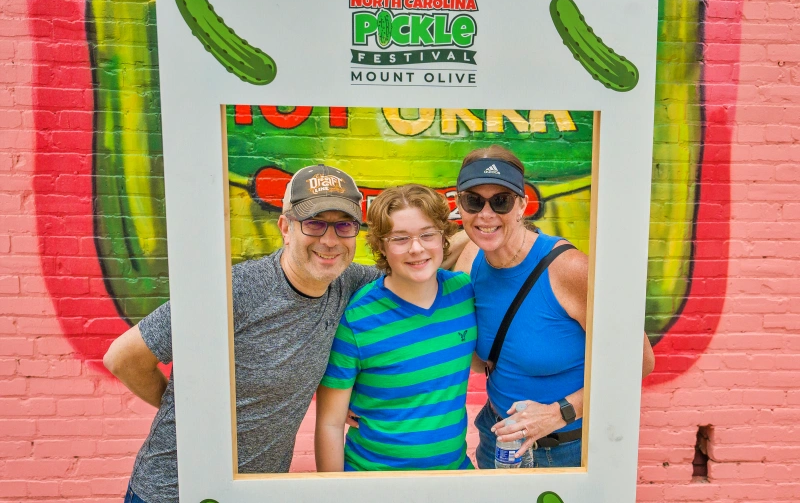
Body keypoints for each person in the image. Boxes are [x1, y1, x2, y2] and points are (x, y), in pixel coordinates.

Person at [104, 165, 472, 503]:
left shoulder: (348, 282)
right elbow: (122, 357)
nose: (329, 240)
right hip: (176, 488)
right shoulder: (235, 290)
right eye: (314, 223)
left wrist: (483, 231)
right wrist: (188, 412)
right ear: (285, 227)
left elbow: (417, 258)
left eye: (343, 226)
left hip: (260, 488)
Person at [454, 146, 656, 469]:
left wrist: (556, 413)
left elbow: (640, 362)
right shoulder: (471, 261)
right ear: (459, 205)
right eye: (474, 201)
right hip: (497, 442)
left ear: (521, 205)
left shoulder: (569, 269)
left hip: (564, 450)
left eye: (501, 201)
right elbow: (480, 361)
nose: (486, 214)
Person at [315, 184, 477, 471]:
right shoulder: (357, 319)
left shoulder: (463, 294)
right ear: (381, 245)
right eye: (400, 238)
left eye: (427, 234)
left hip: (454, 477)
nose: (417, 248)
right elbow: (330, 422)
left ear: (442, 237)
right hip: (374, 482)